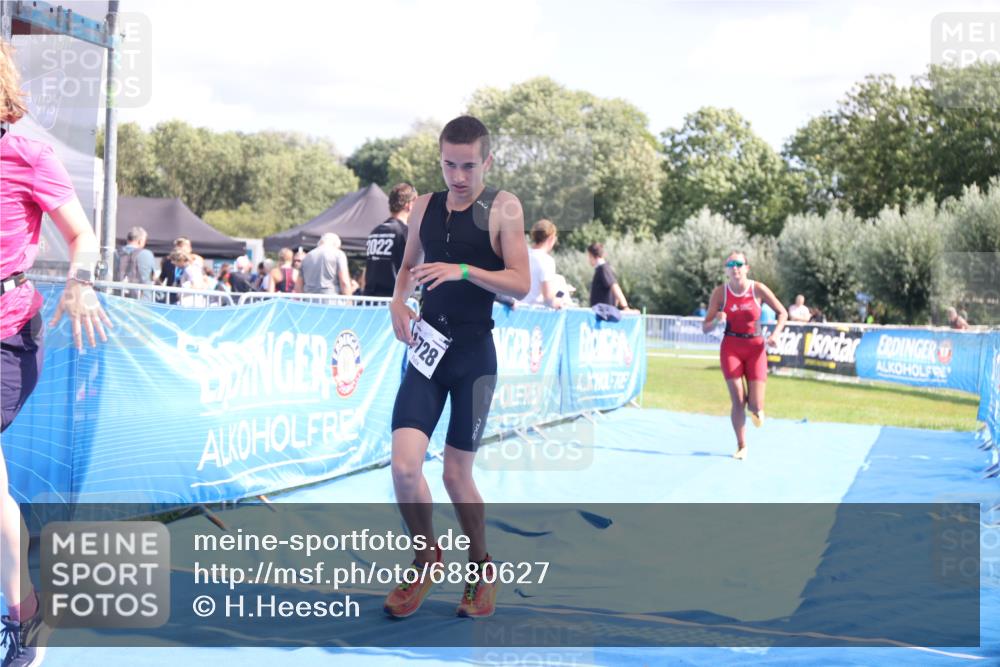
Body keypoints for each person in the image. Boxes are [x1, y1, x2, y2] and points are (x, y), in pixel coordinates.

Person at [384, 115, 529, 619]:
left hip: (474, 358)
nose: (459, 176)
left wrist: (464, 270)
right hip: (427, 352)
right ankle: (426, 558)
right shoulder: (424, 206)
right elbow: (408, 268)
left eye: (469, 166)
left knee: (454, 476)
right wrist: (397, 301)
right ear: (440, 160)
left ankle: (481, 566)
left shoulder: (503, 208)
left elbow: (521, 282)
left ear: (487, 161)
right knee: (404, 468)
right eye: (449, 165)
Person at [2, 38, 112, 667]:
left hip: (8, 335)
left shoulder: (27, 153)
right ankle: (26, 608)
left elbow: (83, 235)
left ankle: (24, 616)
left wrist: (80, 282)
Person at [702, 251, 787, 460]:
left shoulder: (758, 289)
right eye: (731, 264)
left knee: (755, 405)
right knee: (738, 400)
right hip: (731, 347)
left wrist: (776, 334)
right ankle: (742, 446)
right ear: (726, 269)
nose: (735, 268)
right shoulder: (720, 293)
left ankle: (757, 409)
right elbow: (705, 327)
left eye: (739, 264)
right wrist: (717, 319)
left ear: (747, 268)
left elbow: (782, 312)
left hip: (755, 348)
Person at [362, 183, 417, 297]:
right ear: (410, 205)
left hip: (371, 300)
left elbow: (367, 269)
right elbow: (412, 268)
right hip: (394, 300)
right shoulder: (405, 232)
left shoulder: (375, 231)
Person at [518, 219, 563, 309]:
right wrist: (561, 296)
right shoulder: (547, 261)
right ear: (551, 238)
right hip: (533, 312)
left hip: (514, 310)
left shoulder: (521, 255)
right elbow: (548, 299)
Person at [587, 243, 633, 311]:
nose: (588, 259)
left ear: (592, 256)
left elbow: (615, 287)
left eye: (589, 256)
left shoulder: (603, 268)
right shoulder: (601, 269)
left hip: (604, 313)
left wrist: (625, 307)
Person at [115, 226, 156, 298]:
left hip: (118, 298)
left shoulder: (115, 254)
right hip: (142, 299)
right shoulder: (146, 254)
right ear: (140, 241)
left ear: (128, 239)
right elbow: (153, 277)